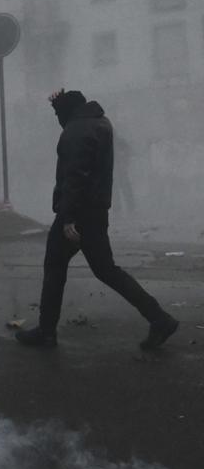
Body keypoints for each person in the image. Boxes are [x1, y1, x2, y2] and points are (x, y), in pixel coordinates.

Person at [16, 90, 179, 350]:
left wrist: (68, 217)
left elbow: (75, 177)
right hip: (96, 211)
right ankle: (159, 318)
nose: (57, 119)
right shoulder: (101, 123)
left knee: (57, 266)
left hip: (78, 214)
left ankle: (47, 333)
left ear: (65, 112)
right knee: (105, 270)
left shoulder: (76, 131)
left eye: (57, 114)